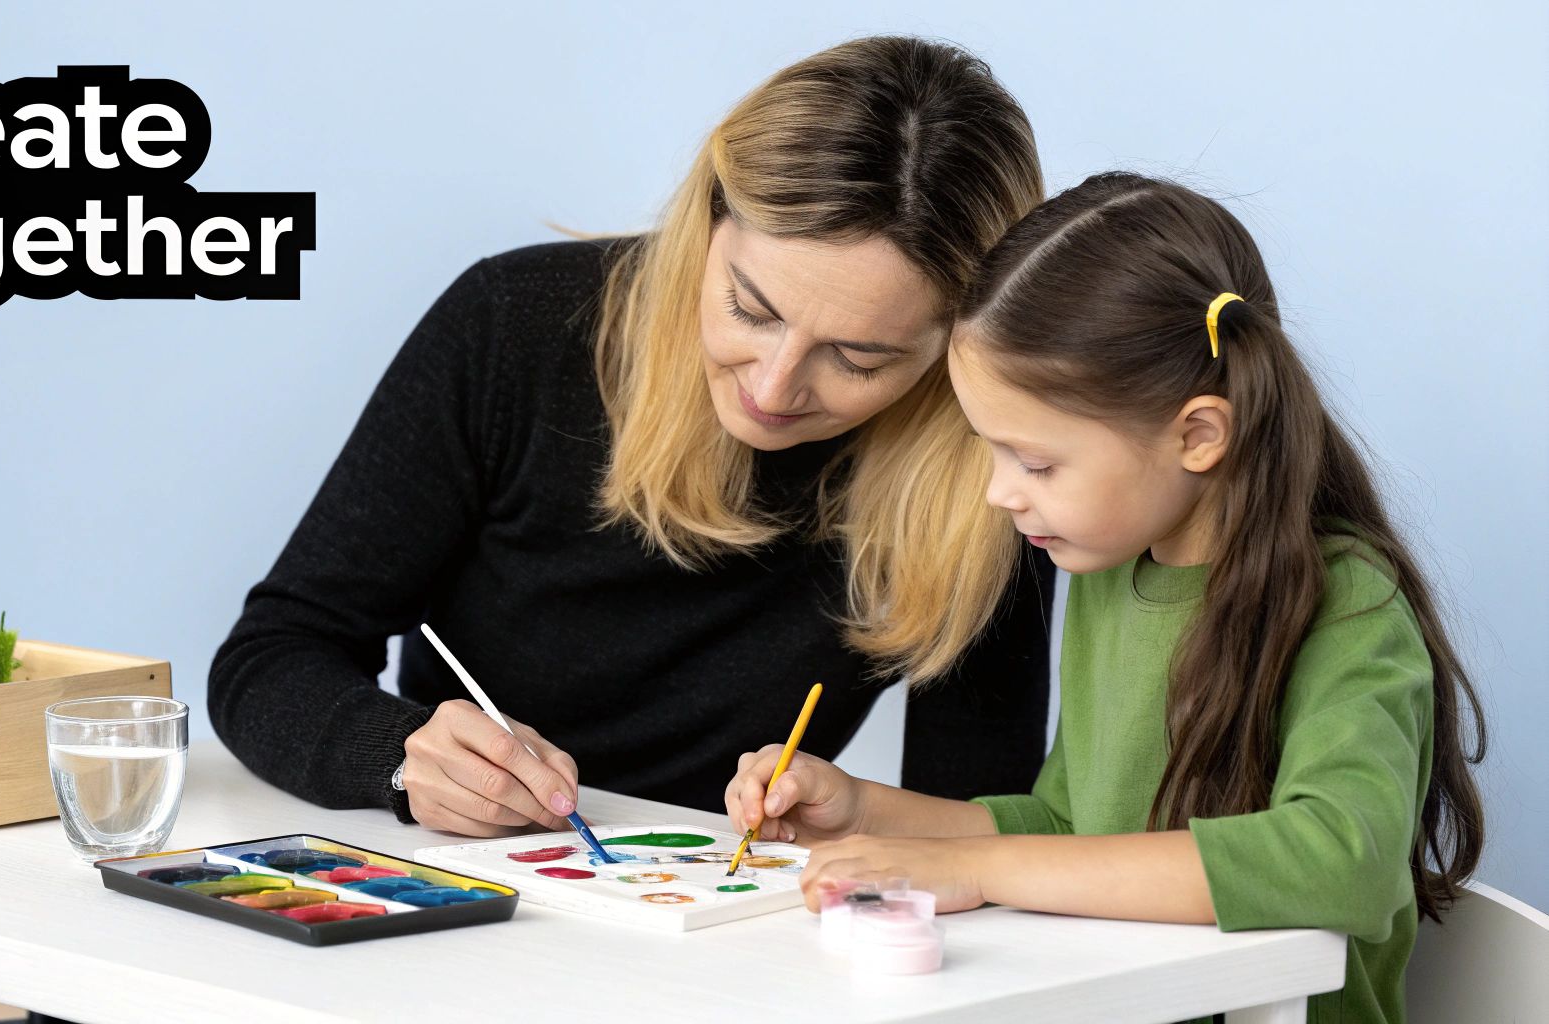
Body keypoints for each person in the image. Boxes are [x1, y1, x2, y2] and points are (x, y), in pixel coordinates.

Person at [208, 35, 1057, 837]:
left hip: (731, 911)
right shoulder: (516, 325)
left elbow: (977, 812)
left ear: (957, 345)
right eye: (749, 309)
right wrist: (397, 756)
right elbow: (270, 659)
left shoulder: (997, 455)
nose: (772, 388)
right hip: (463, 877)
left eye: (857, 358)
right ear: (707, 222)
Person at [725, 172, 1486, 1022]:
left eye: (1036, 463)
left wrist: (975, 869)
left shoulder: (1346, 603)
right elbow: (1070, 827)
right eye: (990, 452)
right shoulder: (1108, 572)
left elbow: (1343, 861)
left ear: (1199, 434)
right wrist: (865, 812)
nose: (999, 494)